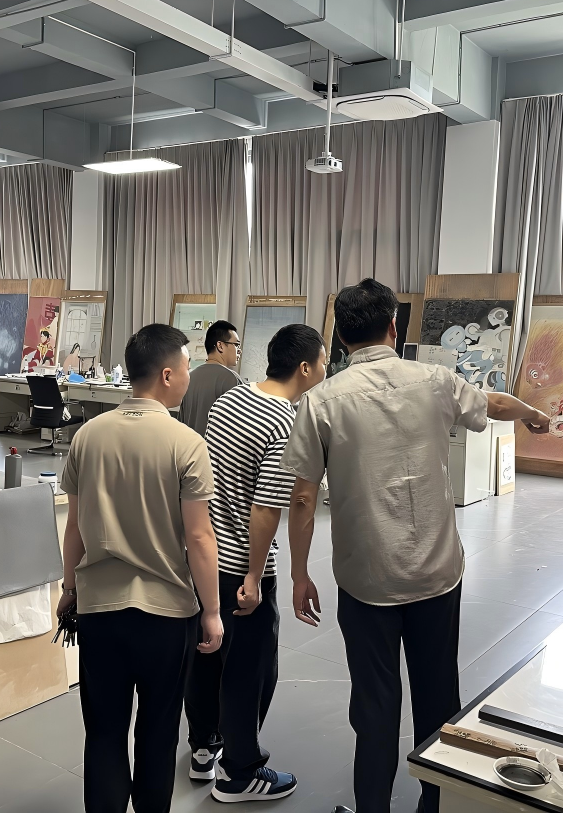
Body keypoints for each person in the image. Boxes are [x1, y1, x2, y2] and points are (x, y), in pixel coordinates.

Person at [281, 279, 551, 813]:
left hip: (365, 578)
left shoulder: (320, 401)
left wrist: (299, 573)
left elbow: (304, 497)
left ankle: (372, 806)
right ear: (393, 325)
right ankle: (437, 804)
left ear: (340, 338)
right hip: (436, 571)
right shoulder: (436, 380)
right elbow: (494, 403)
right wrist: (531, 413)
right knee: (438, 695)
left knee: (374, 704)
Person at [58, 323, 224, 813]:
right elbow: (199, 537)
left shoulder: (88, 436)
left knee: (103, 732)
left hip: (100, 612)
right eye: (188, 366)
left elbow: (74, 528)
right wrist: (212, 611)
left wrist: (70, 588)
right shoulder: (186, 442)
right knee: (158, 730)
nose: (190, 375)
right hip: (165, 615)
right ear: (168, 375)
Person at [185, 324, 327, 802]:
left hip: (205, 557)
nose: (325, 368)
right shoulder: (286, 421)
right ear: (304, 367)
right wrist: (253, 575)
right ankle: (241, 772)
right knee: (251, 669)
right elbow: (266, 508)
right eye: (322, 361)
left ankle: (204, 748)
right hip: (241, 566)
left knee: (207, 655)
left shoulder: (232, 398)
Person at [180, 320, 245, 436]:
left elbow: (181, 422)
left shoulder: (189, 377)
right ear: (220, 346)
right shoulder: (231, 379)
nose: (239, 350)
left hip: (189, 446)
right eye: (236, 345)